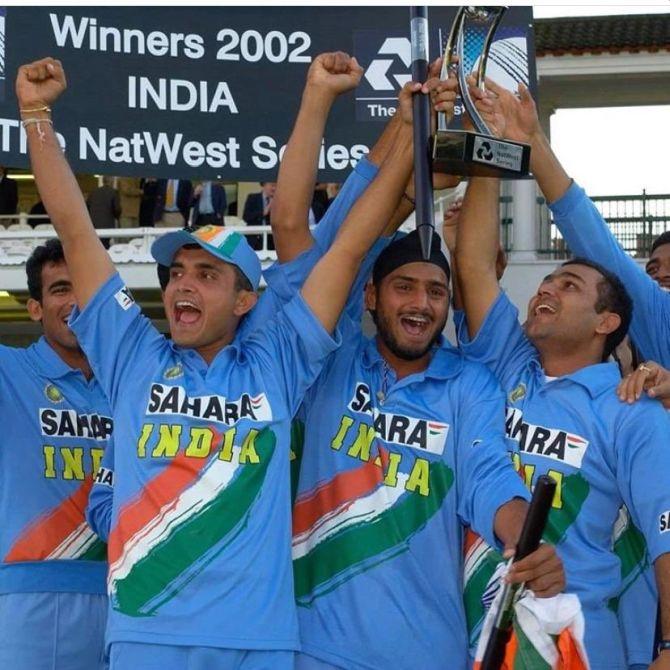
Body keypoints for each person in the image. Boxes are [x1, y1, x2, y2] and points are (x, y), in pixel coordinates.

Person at [17, 53, 434, 670]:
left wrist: (411, 137)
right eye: (178, 272)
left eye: (207, 274)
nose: (184, 284)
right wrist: (35, 114)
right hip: (145, 637)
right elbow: (76, 230)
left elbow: (345, 250)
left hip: (259, 639)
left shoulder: (277, 361)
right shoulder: (133, 354)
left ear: (246, 300)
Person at [262, 54, 564, 670]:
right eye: (404, 286)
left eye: (435, 291)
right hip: (309, 649)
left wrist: (522, 535)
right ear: (370, 297)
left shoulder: (468, 382)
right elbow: (319, 239)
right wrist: (404, 135)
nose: (421, 303)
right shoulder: (322, 362)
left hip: (428, 653)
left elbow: (488, 481)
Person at [472, 78, 670, 669]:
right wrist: (508, 142)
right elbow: (484, 266)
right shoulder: (513, 361)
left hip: (576, 640)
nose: (547, 289)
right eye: (548, 280)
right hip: (483, 628)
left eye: (569, 285)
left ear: (607, 321)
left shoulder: (632, 409)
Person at [0, 239, 112, 670]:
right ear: (34, 309)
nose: (77, 300)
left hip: (126, 598)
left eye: (85, 286)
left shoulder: (131, 382)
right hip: (30, 600)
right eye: (61, 289)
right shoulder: (10, 371)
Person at [87, 176, 121, 248]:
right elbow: (117, 209)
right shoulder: (113, 192)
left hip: (94, 224)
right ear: (112, 181)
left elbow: (87, 206)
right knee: (105, 246)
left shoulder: (94, 192)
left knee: (95, 245)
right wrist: (117, 217)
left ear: (103, 181)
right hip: (107, 225)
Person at [242, 181, 275, 250]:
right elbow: (246, 217)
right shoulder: (253, 198)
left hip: (272, 241)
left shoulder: (278, 200)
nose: (274, 188)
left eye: (276, 186)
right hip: (254, 239)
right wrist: (264, 212)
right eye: (272, 185)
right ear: (263, 185)